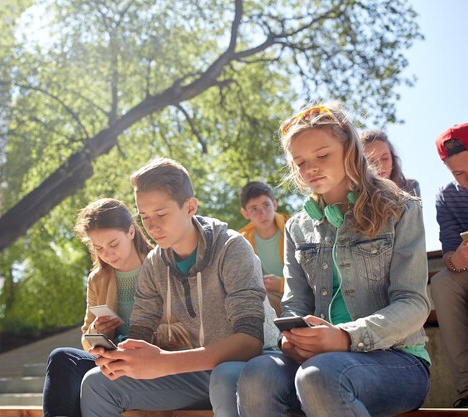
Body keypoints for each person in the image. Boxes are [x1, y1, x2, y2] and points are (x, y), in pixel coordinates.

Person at [238, 102, 431, 417]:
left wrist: (345, 336)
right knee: (257, 374)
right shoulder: (297, 227)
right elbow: (295, 305)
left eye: (322, 156)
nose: (310, 168)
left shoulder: (401, 208)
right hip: (318, 360)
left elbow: (414, 303)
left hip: (398, 358)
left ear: (349, 151)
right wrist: (292, 339)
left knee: (321, 376)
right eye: (300, 162)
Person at [80, 158, 279, 417]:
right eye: (144, 217)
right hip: (192, 372)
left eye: (161, 214)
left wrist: (163, 362)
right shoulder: (154, 262)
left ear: (190, 207)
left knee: (224, 376)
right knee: (96, 383)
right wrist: (119, 357)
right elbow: (139, 332)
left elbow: (250, 342)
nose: (151, 226)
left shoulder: (232, 247)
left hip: (254, 365)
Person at [42, 198, 191, 417]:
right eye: (99, 248)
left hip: (159, 361)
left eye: (113, 244)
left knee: (88, 382)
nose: (108, 254)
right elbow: (87, 338)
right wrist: (99, 332)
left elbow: (190, 329)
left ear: (131, 232)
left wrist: (139, 342)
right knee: (62, 358)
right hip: (114, 362)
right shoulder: (98, 279)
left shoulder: (165, 266)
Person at [429, 122, 468, 408]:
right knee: (442, 282)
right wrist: (459, 258)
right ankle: (467, 389)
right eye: (459, 174)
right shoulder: (447, 196)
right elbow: (449, 255)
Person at [239, 181, 289, 316]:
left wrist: (281, 284)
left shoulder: (292, 229)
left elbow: (311, 276)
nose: (262, 213)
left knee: (257, 308)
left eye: (266, 205)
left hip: (294, 295)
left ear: (274, 204)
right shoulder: (242, 241)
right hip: (263, 296)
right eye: (254, 209)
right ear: (245, 213)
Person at [361, 129, 421, 196]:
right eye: (370, 161)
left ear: (392, 158)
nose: (379, 165)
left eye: (385, 158)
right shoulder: (354, 194)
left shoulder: (410, 187)